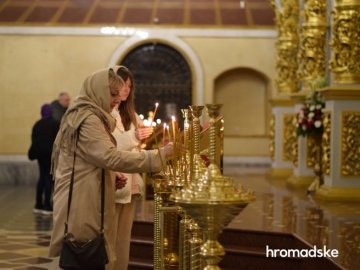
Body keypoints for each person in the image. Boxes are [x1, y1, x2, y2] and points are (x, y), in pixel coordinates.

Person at [48, 67, 172, 270]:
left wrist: (111, 177)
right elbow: (109, 155)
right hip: (82, 202)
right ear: (97, 91)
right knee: (86, 256)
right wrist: (159, 156)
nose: (118, 98)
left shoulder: (93, 115)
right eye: (112, 93)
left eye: (122, 91)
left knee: (101, 254)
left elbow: (89, 160)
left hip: (89, 196)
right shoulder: (89, 119)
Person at [108, 66, 153, 270]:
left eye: (129, 86)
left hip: (131, 181)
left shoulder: (130, 113)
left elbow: (133, 145)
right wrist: (134, 137)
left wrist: (141, 138)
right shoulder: (105, 111)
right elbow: (107, 145)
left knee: (123, 239)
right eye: (122, 84)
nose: (126, 89)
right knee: (109, 239)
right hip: (114, 180)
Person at [28, 104, 60, 215]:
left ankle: (38, 204)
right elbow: (58, 141)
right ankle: (47, 205)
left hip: (40, 156)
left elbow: (34, 140)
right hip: (50, 156)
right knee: (49, 179)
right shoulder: (55, 124)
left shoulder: (37, 124)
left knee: (42, 177)